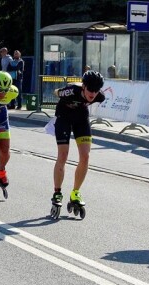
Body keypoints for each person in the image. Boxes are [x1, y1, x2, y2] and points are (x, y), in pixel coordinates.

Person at [50, 70, 105, 219]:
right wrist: (61, 92)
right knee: (63, 155)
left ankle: (75, 192)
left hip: (81, 118)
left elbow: (94, 96)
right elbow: (56, 92)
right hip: (64, 117)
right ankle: (57, 193)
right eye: (90, 89)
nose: (93, 94)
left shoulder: (100, 97)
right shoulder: (72, 90)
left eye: (96, 90)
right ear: (83, 86)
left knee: (85, 157)